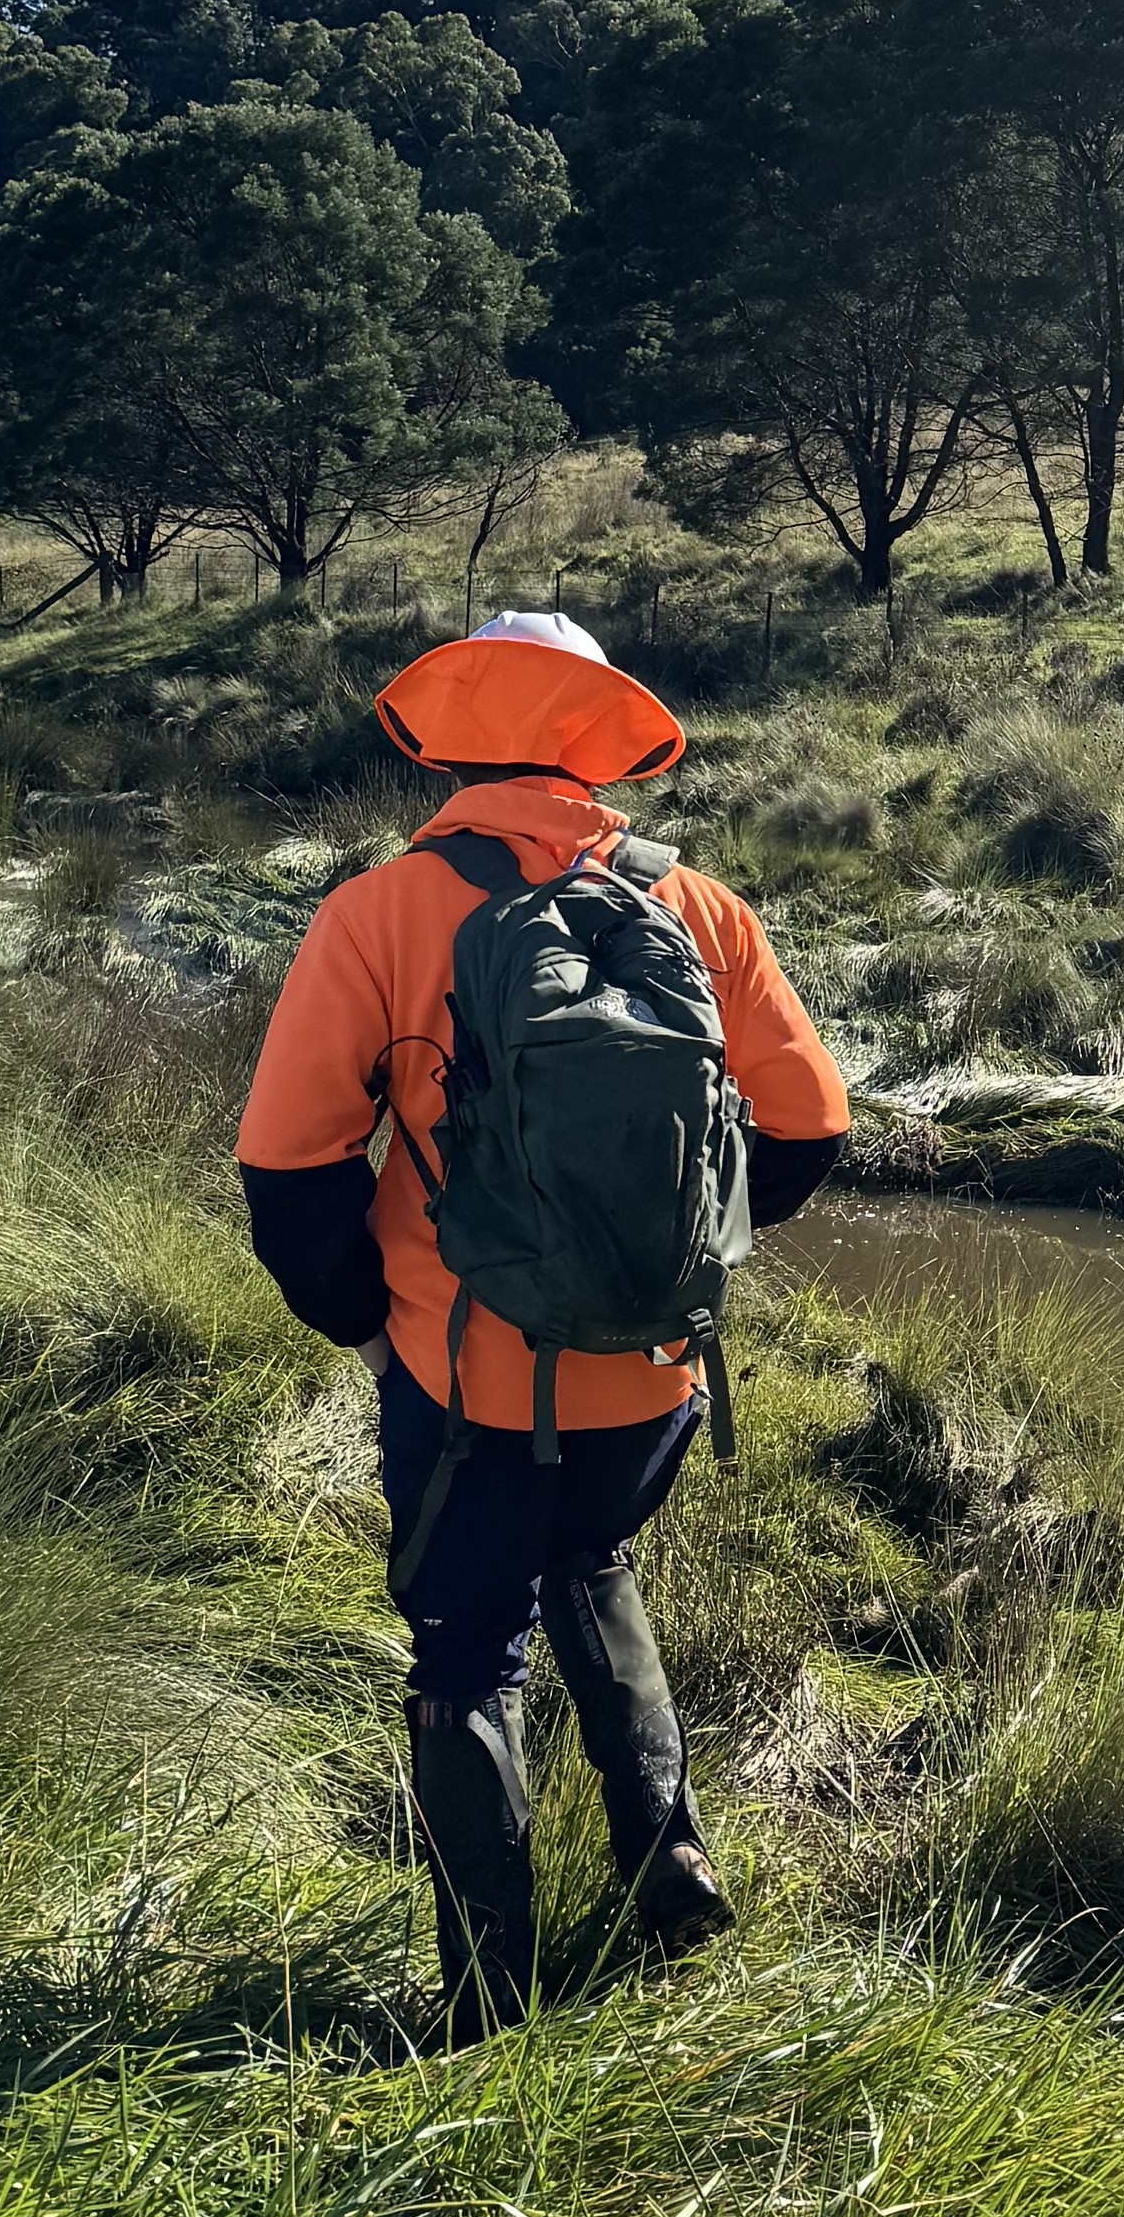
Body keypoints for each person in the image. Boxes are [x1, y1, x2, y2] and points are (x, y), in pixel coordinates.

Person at [235, 608, 848, 2038]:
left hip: (467, 1390)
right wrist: (670, 1266)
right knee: (597, 1557)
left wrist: (367, 1330)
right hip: (653, 1380)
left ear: (449, 735)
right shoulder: (697, 907)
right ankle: (666, 1853)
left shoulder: (379, 914)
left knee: (465, 1655)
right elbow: (808, 1136)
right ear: (593, 740)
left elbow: (289, 1173)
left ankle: (486, 2003)